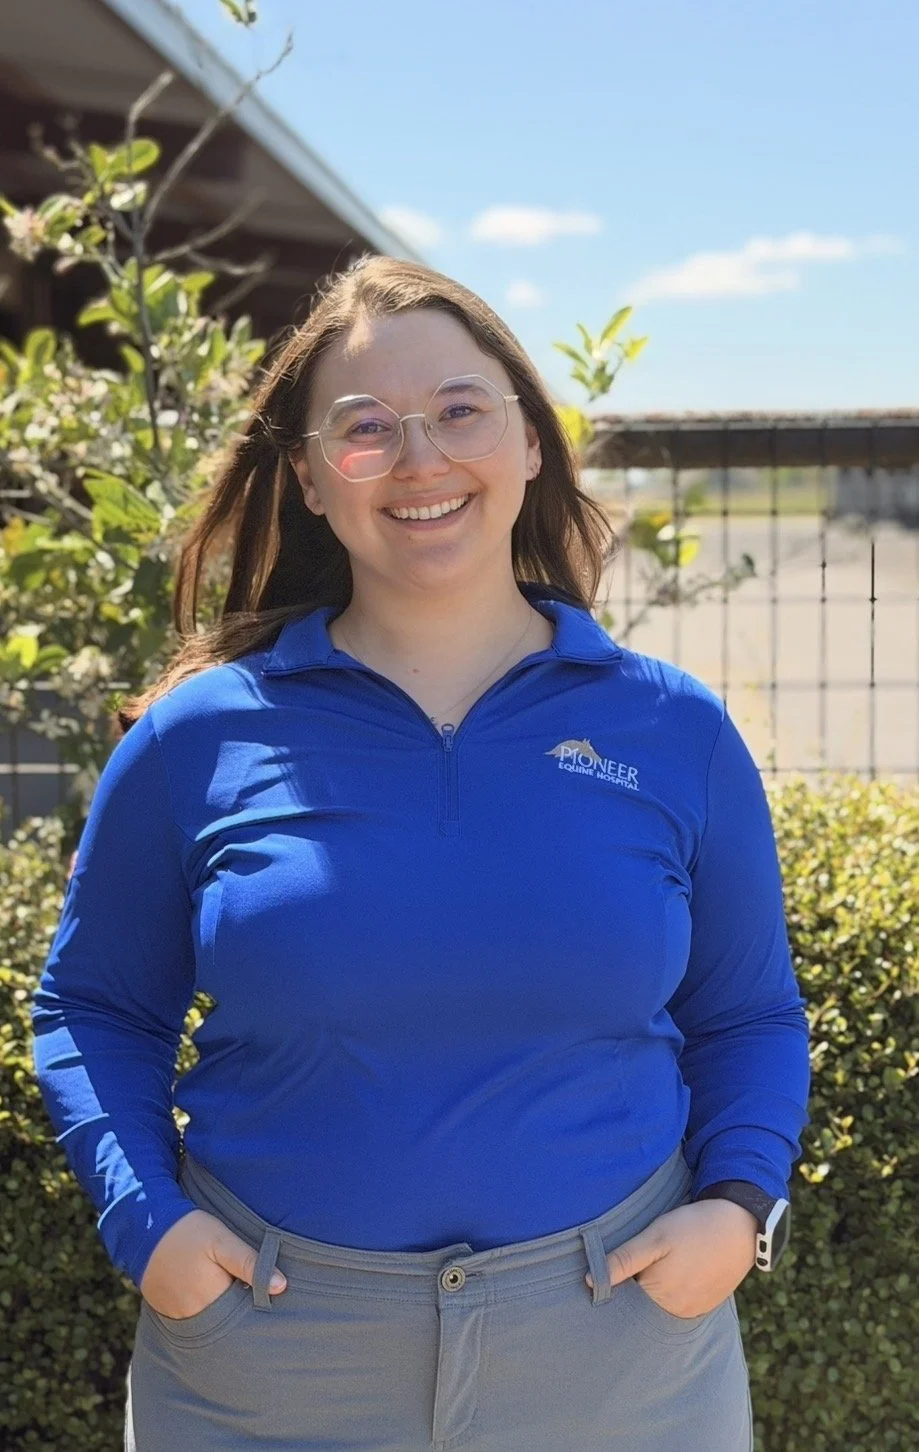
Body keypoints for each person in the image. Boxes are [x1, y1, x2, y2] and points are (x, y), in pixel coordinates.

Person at [31, 254, 811, 1451]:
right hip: (267, 1367)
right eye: (364, 428)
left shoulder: (675, 731)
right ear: (304, 477)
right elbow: (92, 1007)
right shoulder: (197, 739)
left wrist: (736, 1212)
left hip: (621, 1360)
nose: (421, 458)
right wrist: (152, 1229)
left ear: (531, 441)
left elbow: (749, 1014)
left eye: (459, 411)